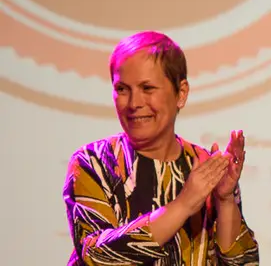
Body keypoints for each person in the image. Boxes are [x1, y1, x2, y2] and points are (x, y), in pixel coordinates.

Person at [63, 31, 260, 265]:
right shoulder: (94, 162)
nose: (134, 103)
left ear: (181, 93)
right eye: (122, 89)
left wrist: (226, 200)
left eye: (147, 88)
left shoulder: (202, 165)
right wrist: (184, 204)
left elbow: (241, 262)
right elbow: (97, 256)